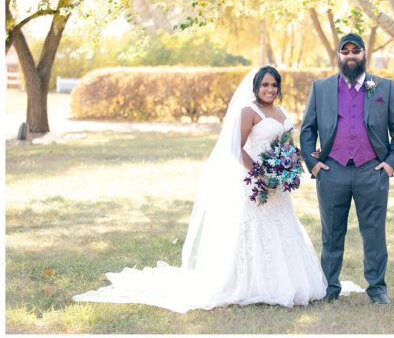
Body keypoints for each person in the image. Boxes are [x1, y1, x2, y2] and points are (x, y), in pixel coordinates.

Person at [73, 66, 356, 312]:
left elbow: (283, 147)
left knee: (282, 228)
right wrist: (259, 174)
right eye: (265, 84)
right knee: (254, 231)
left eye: (274, 85)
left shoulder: (280, 112)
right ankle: (249, 285)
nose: (270, 89)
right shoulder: (249, 111)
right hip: (256, 183)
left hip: (278, 186)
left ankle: (289, 282)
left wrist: (299, 157)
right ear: (256, 87)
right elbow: (236, 148)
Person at [300, 33, 394, 305]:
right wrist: (314, 166)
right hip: (332, 170)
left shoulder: (383, 87)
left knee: (374, 232)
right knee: (331, 233)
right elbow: (307, 130)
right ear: (339, 55)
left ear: (364, 53)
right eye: (345, 52)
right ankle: (329, 286)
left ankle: (377, 288)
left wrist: (389, 165)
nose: (350, 56)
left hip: (372, 171)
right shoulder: (321, 88)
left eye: (355, 51)